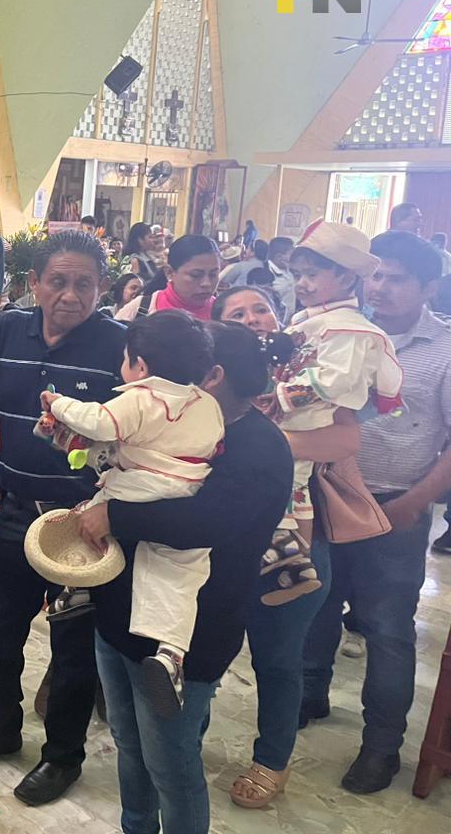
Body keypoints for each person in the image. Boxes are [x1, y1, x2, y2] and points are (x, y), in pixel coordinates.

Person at [83, 320, 293, 834]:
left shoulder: (259, 447)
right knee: (129, 746)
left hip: (186, 635)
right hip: (119, 609)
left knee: (172, 766)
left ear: (212, 376)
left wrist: (115, 515)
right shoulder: (168, 427)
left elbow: (208, 524)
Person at [0, 230, 124, 807]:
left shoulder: (120, 346)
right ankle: (0, 730)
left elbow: (138, 441)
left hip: (82, 529)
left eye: (85, 284)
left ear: (102, 288)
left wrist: (106, 508)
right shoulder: (6, 330)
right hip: (15, 513)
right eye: (58, 281)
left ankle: (62, 758)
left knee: (73, 653)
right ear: (35, 284)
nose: (70, 295)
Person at [301, 230, 451, 795]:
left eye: (396, 278)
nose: (381, 287)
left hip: (395, 505)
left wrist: (416, 503)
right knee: (315, 607)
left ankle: (382, 746)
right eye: (377, 275)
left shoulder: (443, 349)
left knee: (387, 629)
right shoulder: (343, 332)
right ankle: (309, 696)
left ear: (428, 287)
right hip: (325, 492)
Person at [39, 312, 224, 714]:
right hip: (185, 491)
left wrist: (59, 403)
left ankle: (80, 586)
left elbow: (100, 423)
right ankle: (170, 655)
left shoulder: (143, 396)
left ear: (139, 364)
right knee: (181, 576)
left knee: (88, 515)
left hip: (137, 487)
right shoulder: (207, 403)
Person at [209, 286, 339, 809]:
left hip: (290, 537)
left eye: (259, 308)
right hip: (218, 537)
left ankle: (272, 760)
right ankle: (186, 733)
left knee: (279, 659)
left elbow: (344, 440)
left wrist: (265, 442)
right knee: (204, 649)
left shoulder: (308, 383)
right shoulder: (201, 387)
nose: (251, 318)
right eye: (235, 313)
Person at [262, 221, 402, 605]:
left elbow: (335, 381)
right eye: (298, 274)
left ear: (346, 278)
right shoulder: (316, 320)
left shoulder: (349, 328)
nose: (302, 283)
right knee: (291, 481)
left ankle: (295, 560)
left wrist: (282, 395)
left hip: (312, 413)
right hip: (299, 411)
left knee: (290, 479)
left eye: (312, 274)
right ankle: (292, 558)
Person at [115, 234, 219, 321]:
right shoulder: (142, 309)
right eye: (195, 275)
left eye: (213, 274)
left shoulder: (223, 313)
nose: (207, 283)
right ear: (169, 272)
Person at [266, 236, 296, 318]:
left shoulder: (290, 271)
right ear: (279, 257)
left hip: (290, 319)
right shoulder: (266, 273)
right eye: (291, 254)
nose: (294, 258)